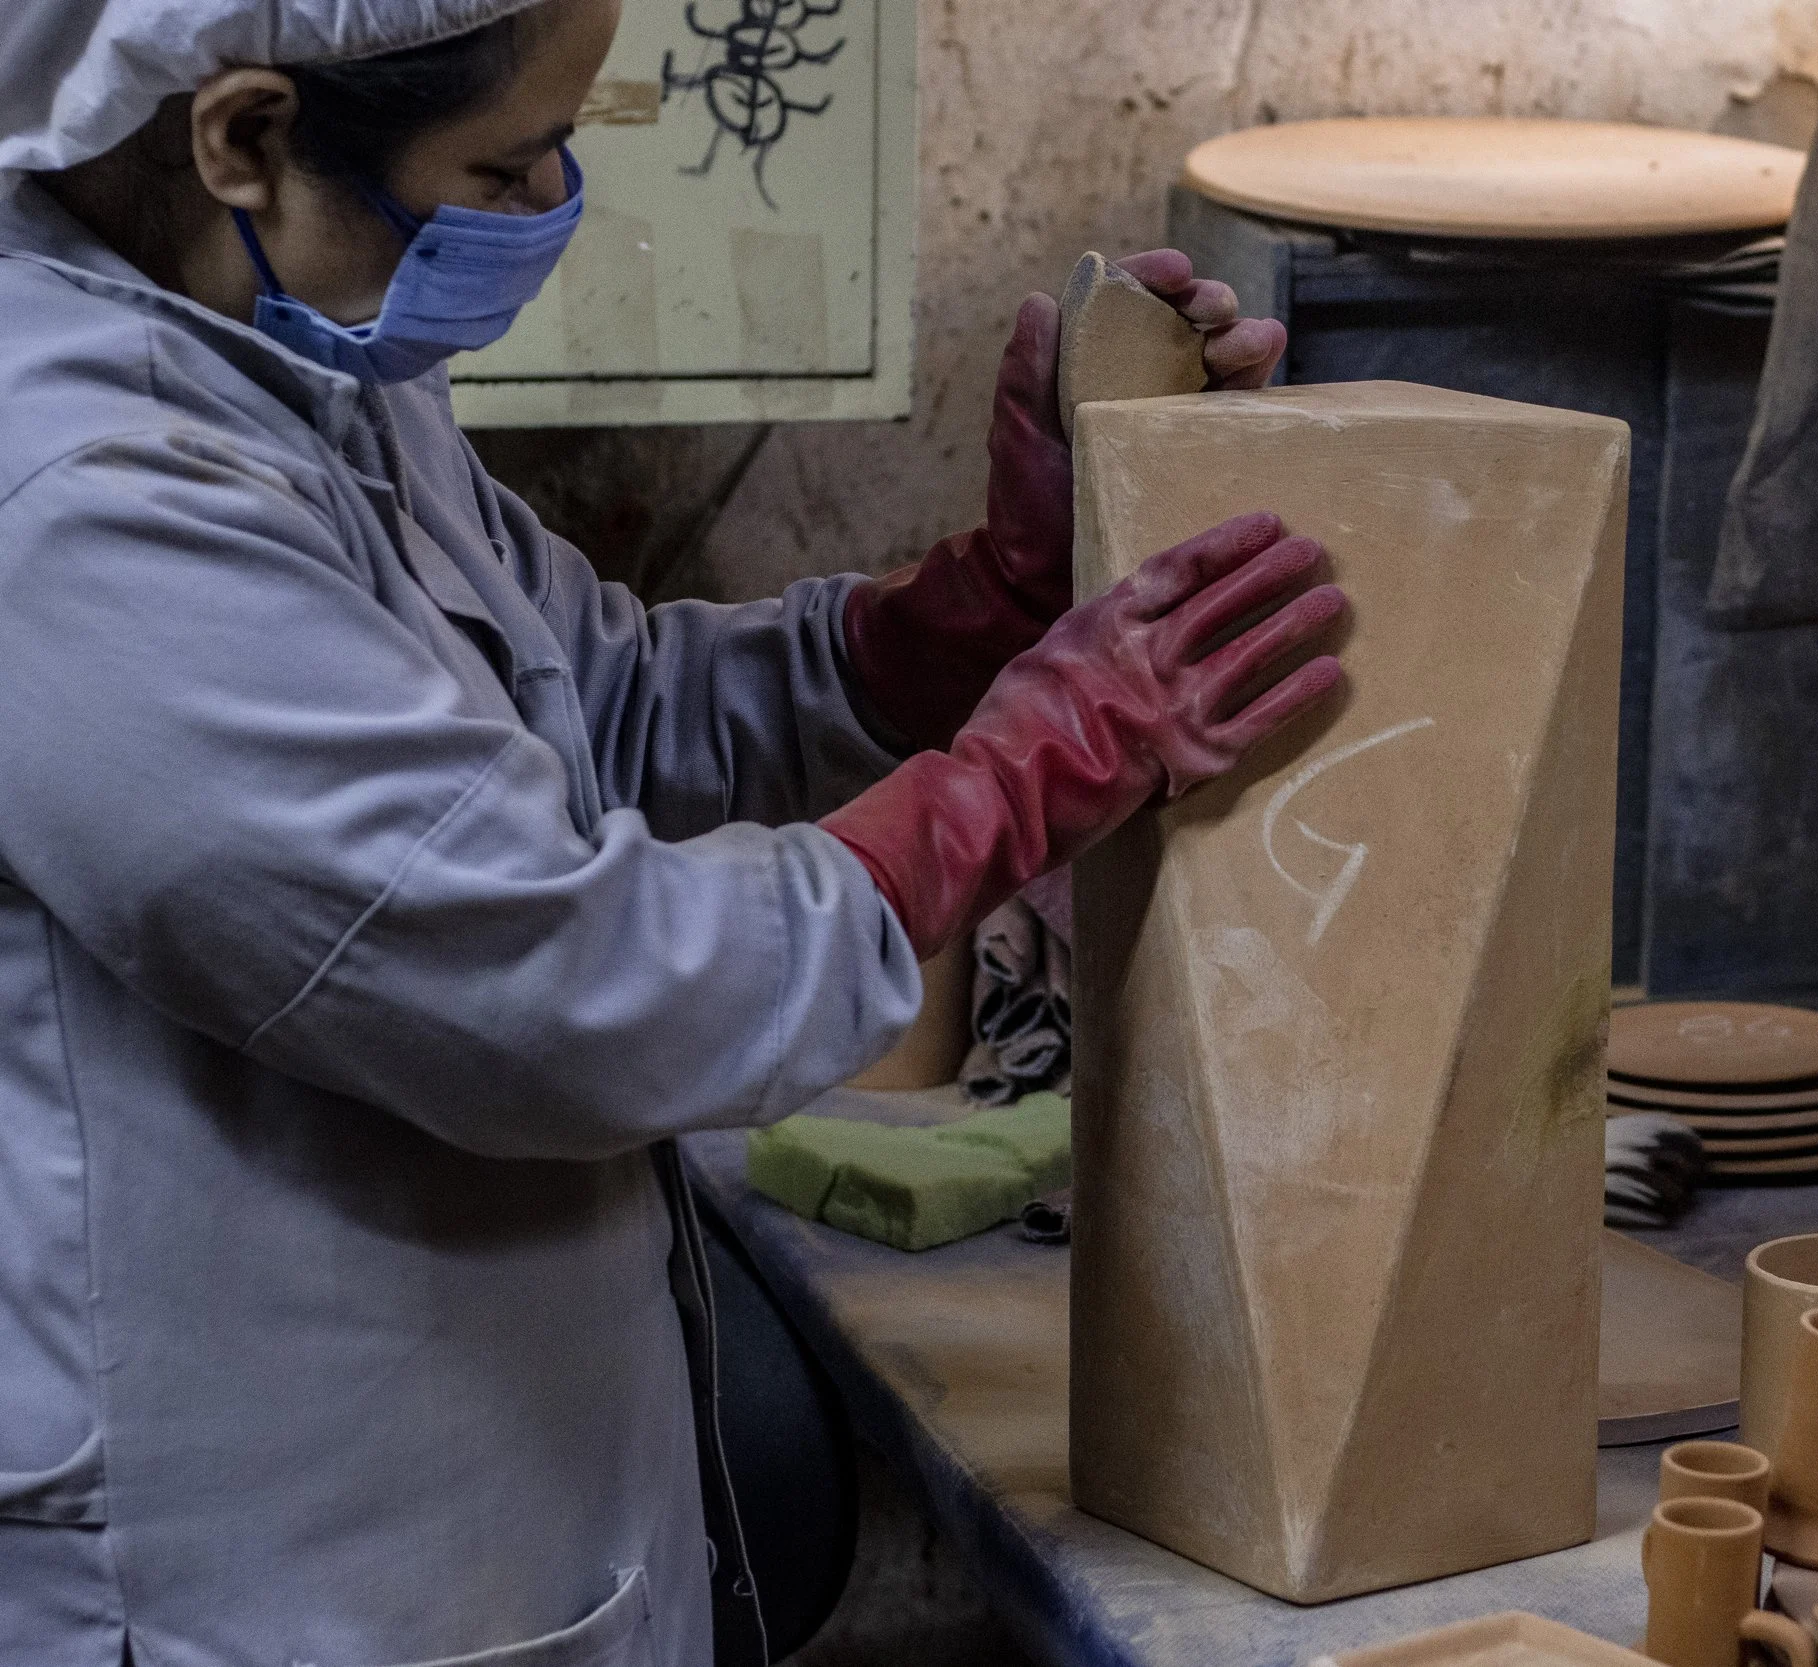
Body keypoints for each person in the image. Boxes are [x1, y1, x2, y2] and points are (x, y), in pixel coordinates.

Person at [0, 1, 1348, 1663]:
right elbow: (559, 979)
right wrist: (1014, 784)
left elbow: (602, 712)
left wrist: (965, 620)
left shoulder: (301, 357)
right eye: (508, 166)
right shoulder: (80, 502)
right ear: (246, 139)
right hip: (271, 1560)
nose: (553, 201)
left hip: (481, 1472)